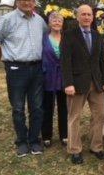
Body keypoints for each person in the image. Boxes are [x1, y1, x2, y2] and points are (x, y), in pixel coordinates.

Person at [0, 0, 47, 157]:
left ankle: (35, 140)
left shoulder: (39, 21)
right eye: (23, 0)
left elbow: (46, 38)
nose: (27, 3)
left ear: (34, 2)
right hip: (16, 69)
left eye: (30, 0)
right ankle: (22, 142)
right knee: (18, 108)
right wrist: (4, 59)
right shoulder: (7, 20)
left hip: (36, 69)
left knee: (37, 107)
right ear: (17, 2)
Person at [60, 4, 104, 165]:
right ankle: (75, 150)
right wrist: (68, 83)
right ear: (77, 17)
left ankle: (96, 147)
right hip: (76, 83)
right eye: (83, 14)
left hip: (96, 83)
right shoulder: (69, 35)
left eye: (89, 14)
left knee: (99, 116)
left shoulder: (97, 36)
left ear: (92, 17)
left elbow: (102, 61)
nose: (86, 17)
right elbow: (65, 61)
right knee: (74, 117)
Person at [41, 12, 67, 147]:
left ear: (62, 24)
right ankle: (46, 135)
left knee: (64, 107)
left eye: (59, 21)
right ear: (49, 23)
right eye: (54, 21)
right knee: (47, 107)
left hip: (63, 77)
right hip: (48, 76)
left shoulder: (66, 39)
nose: (57, 23)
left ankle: (64, 135)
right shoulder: (43, 39)